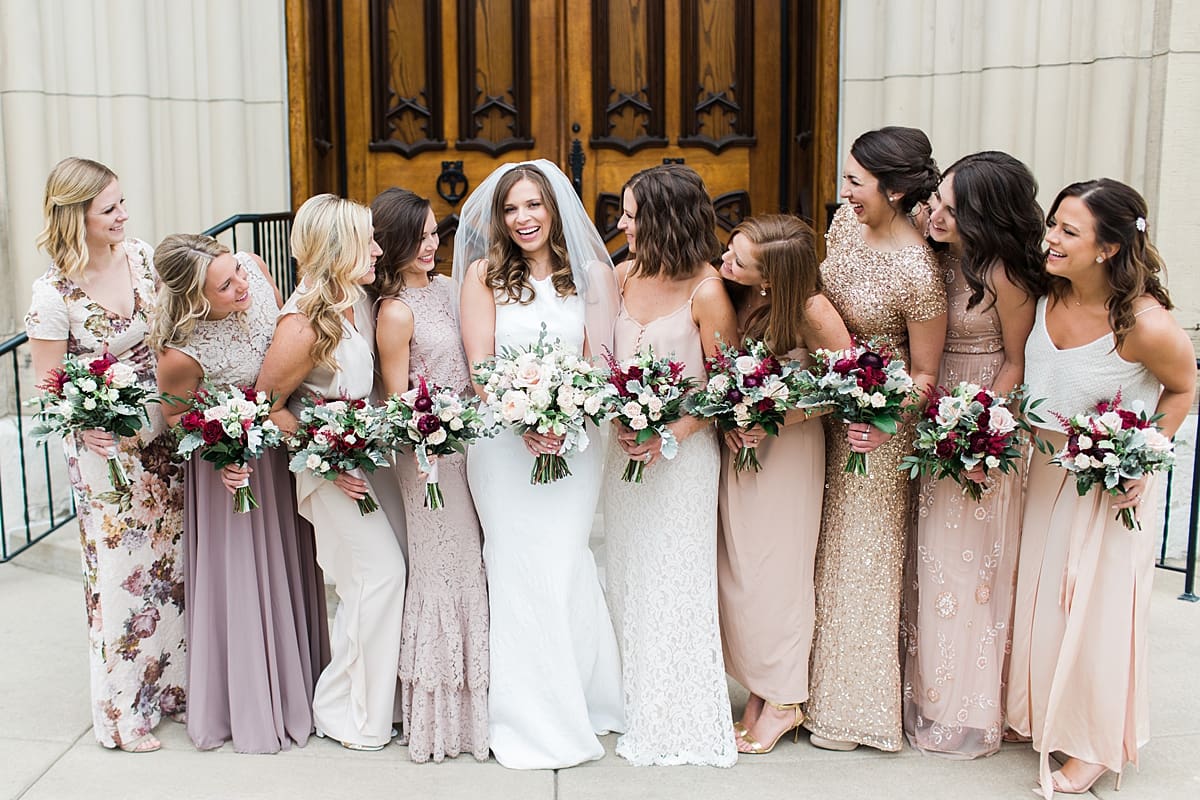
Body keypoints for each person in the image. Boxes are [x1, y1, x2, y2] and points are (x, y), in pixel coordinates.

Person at [1006, 179, 1196, 796]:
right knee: (1045, 600)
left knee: (1098, 612)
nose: (1050, 239)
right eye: (1052, 224)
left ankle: (1092, 746)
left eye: (1068, 230)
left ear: (1109, 247)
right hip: (1043, 473)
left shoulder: (1143, 322)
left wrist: (1142, 456)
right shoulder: (1044, 296)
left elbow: (1184, 388)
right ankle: (1045, 714)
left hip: (1104, 486)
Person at [456, 160, 623, 769]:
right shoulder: (482, 276)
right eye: (511, 209)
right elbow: (480, 363)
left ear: (555, 209)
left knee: (564, 561)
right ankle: (526, 713)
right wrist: (525, 416)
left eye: (534, 205)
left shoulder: (593, 274)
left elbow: (598, 363)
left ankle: (584, 693)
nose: (523, 218)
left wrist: (565, 418)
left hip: (576, 446)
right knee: (516, 564)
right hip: (503, 445)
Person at [25, 157, 186, 753]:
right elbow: (49, 387)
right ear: (77, 217)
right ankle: (123, 713)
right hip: (107, 453)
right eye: (109, 208)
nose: (123, 215)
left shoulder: (142, 257)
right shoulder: (51, 293)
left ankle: (171, 687)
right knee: (121, 575)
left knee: (171, 570)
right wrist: (84, 425)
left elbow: (170, 330)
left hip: (165, 434)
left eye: (122, 202)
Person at [150, 234, 329, 753]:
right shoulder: (181, 353)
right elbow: (177, 419)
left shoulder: (252, 267)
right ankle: (253, 704)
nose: (242, 284)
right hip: (230, 471)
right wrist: (222, 455)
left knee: (290, 566)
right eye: (225, 285)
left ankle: (306, 685)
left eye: (238, 272)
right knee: (247, 579)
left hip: (275, 451)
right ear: (193, 300)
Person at [805, 127, 947, 752]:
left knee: (860, 560)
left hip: (876, 436)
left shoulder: (919, 271)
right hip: (826, 411)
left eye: (857, 182)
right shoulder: (842, 227)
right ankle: (805, 689)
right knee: (818, 552)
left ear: (893, 189)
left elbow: (924, 376)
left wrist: (881, 415)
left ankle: (855, 710)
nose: (846, 192)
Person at [902, 151, 1046, 758]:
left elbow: (1015, 361)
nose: (937, 213)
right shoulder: (937, 253)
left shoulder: (1008, 275)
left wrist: (981, 428)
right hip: (935, 416)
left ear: (986, 216)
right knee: (929, 561)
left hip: (980, 424)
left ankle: (968, 708)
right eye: (938, 199)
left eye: (953, 208)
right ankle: (930, 693)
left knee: (969, 570)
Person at [256, 194, 406, 752]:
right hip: (329, 474)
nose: (376, 249)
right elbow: (268, 405)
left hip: (368, 465)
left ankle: (372, 702)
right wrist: (328, 454)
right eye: (366, 240)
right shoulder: (303, 322)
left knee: (372, 582)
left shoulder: (359, 301)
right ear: (339, 248)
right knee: (379, 576)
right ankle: (346, 710)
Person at [603, 164, 739, 767]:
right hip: (624, 452)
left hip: (683, 458)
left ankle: (676, 703)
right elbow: (600, 361)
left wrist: (671, 434)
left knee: (675, 576)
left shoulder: (706, 290)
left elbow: (729, 385)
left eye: (632, 214)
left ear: (663, 219)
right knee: (629, 570)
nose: (622, 224)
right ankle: (629, 692)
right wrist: (615, 416)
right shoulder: (620, 275)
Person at [715, 215, 852, 755]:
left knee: (778, 575)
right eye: (731, 249)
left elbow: (851, 387)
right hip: (745, 448)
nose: (725, 261)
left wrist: (775, 417)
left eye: (738, 260)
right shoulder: (743, 297)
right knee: (744, 573)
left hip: (788, 451)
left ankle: (786, 699)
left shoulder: (812, 311)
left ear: (771, 277)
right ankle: (760, 688)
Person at [369, 188, 489, 763]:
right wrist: (430, 443)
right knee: (443, 572)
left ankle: (478, 707)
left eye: (433, 233)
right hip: (429, 458)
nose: (429, 245)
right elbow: (397, 401)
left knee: (477, 568)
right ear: (392, 241)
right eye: (417, 237)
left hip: (475, 448)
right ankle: (441, 719)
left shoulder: (449, 288)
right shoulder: (394, 311)